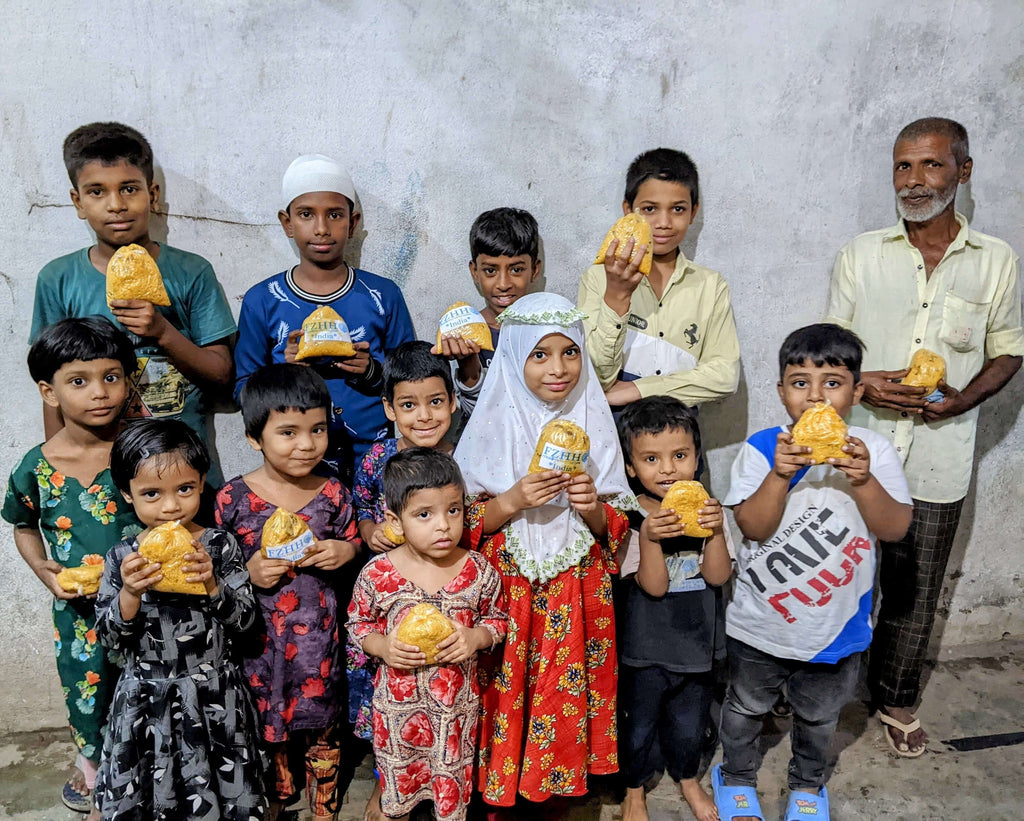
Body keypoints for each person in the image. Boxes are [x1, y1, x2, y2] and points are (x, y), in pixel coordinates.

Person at [825, 117, 1024, 756]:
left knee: (915, 584)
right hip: (858, 450)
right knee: (840, 573)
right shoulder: (861, 253)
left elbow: (1010, 351)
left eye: (931, 166)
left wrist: (965, 398)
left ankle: (895, 696)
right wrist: (864, 384)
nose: (914, 181)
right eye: (903, 167)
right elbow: (829, 354)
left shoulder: (995, 261)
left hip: (940, 455)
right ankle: (815, 691)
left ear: (963, 172)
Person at [714, 324, 912, 821]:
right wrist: (780, 475)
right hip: (760, 622)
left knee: (820, 717)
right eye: (800, 382)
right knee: (744, 709)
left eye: (832, 381)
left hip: (835, 628)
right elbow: (753, 527)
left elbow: (893, 528)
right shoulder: (764, 448)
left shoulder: (873, 450)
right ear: (781, 392)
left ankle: (807, 785)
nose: (815, 395)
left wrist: (863, 480)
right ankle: (735, 776)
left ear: (857, 391)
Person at [454, 292, 637, 814]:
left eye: (569, 352)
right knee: (503, 685)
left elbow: (617, 525)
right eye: (540, 354)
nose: (558, 369)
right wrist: (511, 500)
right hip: (505, 589)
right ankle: (497, 787)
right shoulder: (491, 425)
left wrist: (591, 508)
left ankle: (551, 786)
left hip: (574, 590)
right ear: (513, 356)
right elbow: (457, 525)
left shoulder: (594, 422)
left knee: (563, 685)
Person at [31, 122, 237, 487]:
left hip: (182, 471)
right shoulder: (58, 279)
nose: (116, 205)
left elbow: (222, 377)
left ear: (152, 194)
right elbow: (53, 388)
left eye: (129, 189)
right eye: (97, 192)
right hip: (100, 472)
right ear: (77, 201)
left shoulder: (190, 272)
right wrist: (59, 474)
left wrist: (161, 331)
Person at [2, 318, 140, 818]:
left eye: (111, 376)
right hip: (78, 615)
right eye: (78, 381)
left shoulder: (142, 453)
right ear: (49, 391)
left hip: (147, 607)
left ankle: (143, 763)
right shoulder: (35, 467)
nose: (99, 393)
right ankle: (92, 767)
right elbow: (21, 525)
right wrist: (44, 571)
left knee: (143, 685)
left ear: (129, 379)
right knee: (87, 687)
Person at [95, 419, 264, 819]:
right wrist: (130, 593)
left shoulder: (218, 546)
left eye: (184, 489)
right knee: (154, 790)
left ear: (202, 481)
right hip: (146, 700)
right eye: (151, 494)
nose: (171, 506)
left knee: (220, 788)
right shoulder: (123, 557)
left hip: (213, 696)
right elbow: (109, 638)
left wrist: (211, 584)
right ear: (127, 494)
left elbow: (245, 620)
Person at [215, 364, 362, 821]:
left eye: (317, 429)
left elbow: (354, 541)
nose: (306, 444)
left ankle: (325, 803)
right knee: (268, 718)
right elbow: (217, 570)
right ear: (254, 439)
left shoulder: (334, 492)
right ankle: (280, 791)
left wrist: (345, 550)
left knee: (323, 722)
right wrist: (248, 571)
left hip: (319, 641)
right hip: (261, 643)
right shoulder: (233, 499)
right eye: (288, 432)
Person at [347, 447, 507, 821]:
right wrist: (382, 646)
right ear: (395, 521)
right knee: (399, 790)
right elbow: (358, 624)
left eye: (453, 510)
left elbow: (498, 620)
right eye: (424, 514)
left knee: (450, 793)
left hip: (455, 712)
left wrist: (476, 637)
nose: (443, 525)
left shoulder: (478, 570)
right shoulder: (377, 574)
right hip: (398, 714)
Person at [234, 154, 416, 479]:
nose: (321, 228)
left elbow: (413, 381)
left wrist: (372, 371)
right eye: (306, 215)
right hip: (295, 469)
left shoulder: (382, 295)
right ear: (287, 222)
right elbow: (242, 390)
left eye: (334, 215)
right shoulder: (262, 300)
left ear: (353, 222)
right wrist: (283, 374)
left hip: (375, 464)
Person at [348, 341, 457, 819]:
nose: (425, 416)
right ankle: (384, 783)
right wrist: (373, 532)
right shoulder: (377, 458)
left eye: (436, 402)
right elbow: (362, 512)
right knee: (388, 694)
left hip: (447, 590)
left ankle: (442, 782)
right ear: (389, 408)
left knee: (444, 693)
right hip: (392, 597)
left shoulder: (463, 455)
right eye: (409, 405)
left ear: (453, 402)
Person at [615, 396, 732, 821]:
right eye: (651, 458)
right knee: (637, 726)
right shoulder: (627, 518)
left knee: (689, 725)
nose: (667, 469)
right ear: (631, 466)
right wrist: (649, 537)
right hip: (644, 650)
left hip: (697, 644)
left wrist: (715, 532)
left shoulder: (707, 509)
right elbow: (654, 586)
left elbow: (718, 577)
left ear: (696, 458)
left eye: (679, 455)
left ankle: (687, 778)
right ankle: (634, 790)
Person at [577, 148, 739, 410]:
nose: (664, 222)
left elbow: (724, 377)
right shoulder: (598, 278)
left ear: (693, 212)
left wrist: (637, 389)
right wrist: (617, 297)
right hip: (615, 431)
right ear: (628, 211)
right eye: (650, 209)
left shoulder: (710, 285)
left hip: (680, 436)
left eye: (677, 209)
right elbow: (596, 376)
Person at [433, 207, 541, 428]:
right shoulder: (467, 332)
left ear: (535, 270)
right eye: (490, 271)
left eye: (517, 270)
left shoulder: (548, 331)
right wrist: (468, 365)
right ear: (474, 272)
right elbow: (475, 415)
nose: (503, 284)